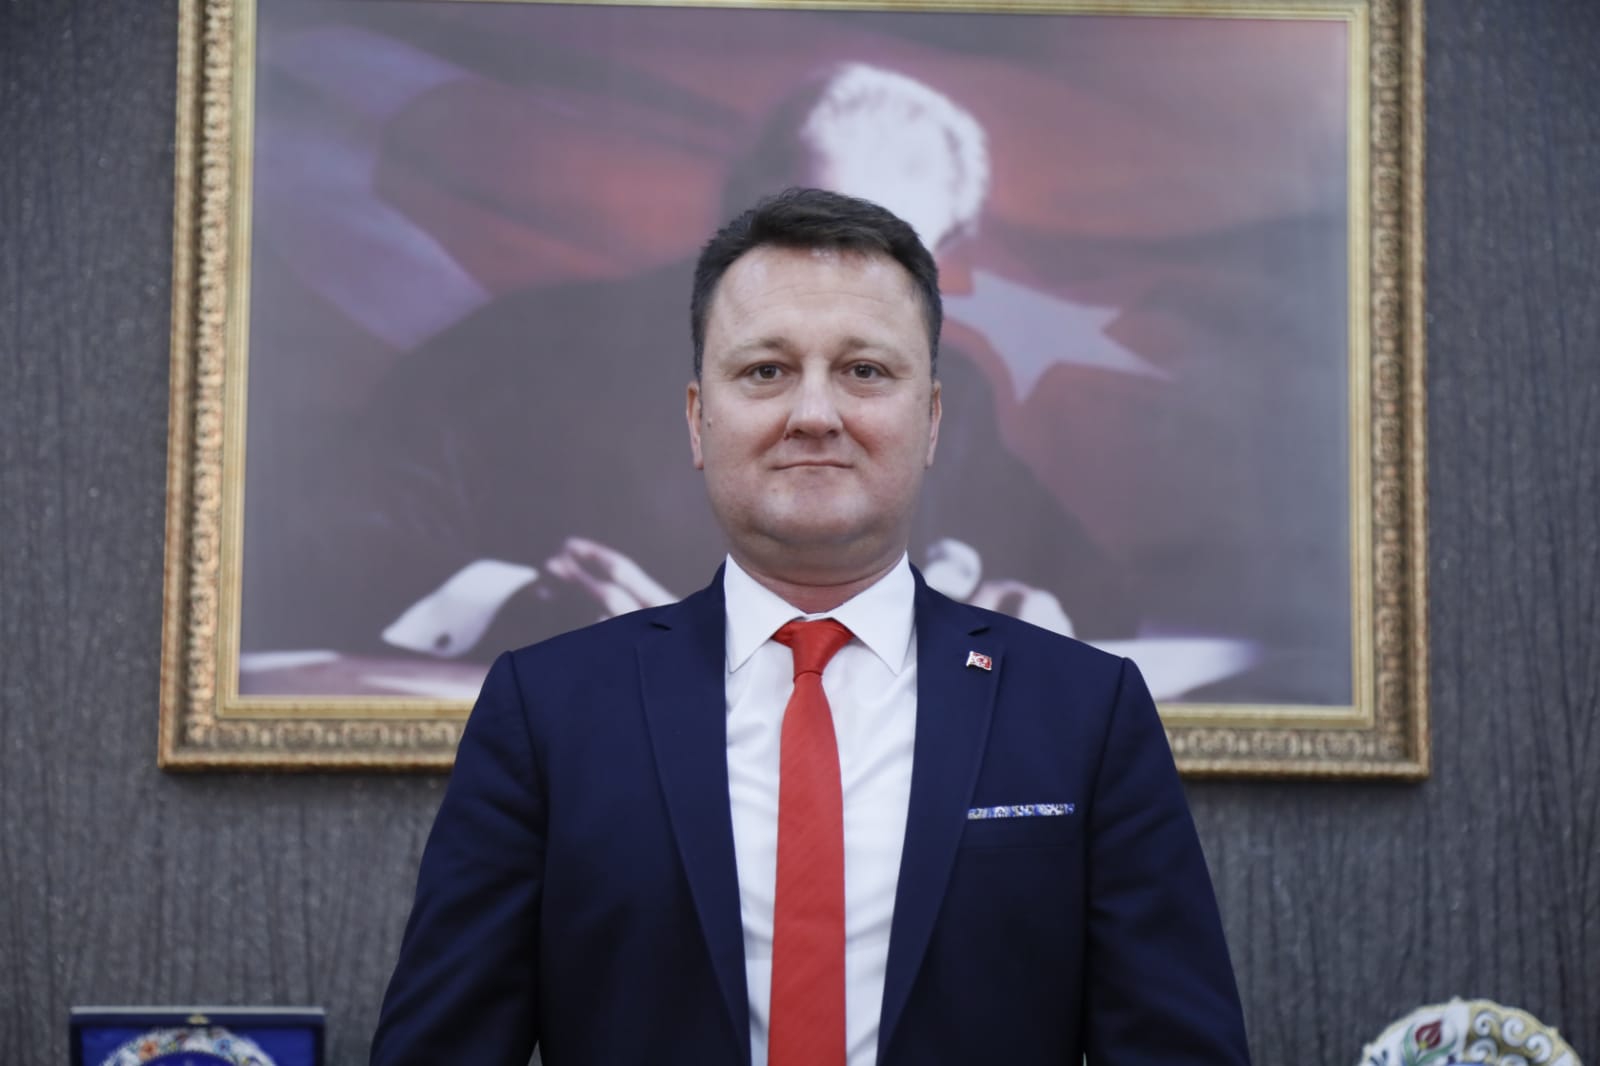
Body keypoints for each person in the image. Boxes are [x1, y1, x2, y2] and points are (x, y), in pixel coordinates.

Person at [371, 188, 1250, 1065]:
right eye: (766, 371)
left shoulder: (1086, 712)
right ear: (698, 421)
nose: (816, 414)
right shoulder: (547, 713)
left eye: (864, 371)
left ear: (932, 421)